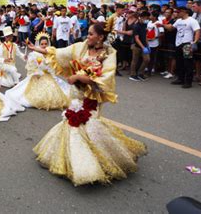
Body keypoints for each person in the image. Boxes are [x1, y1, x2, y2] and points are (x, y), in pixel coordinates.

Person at [29, 23, 147, 186]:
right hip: (76, 94)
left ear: (100, 37)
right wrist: (37, 49)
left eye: (91, 34)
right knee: (72, 124)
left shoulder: (109, 53)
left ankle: (93, 165)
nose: (87, 37)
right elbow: (59, 53)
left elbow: (105, 79)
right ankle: (73, 162)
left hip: (92, 96)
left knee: (90, 126)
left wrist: (79, 78)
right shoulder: (81, 46)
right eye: (88, 33)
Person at [7, 32, 70, 110]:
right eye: (42, 44)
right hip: (38, 77)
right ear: (38, 45)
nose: (44, 46)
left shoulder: (51, 54)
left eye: (45, 44)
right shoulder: (35, 55)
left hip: (49, 77)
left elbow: (54, 68)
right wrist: (36, 74)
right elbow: (32, 68)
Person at [162, 7, 201, 88]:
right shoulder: (178, 20)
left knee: (188, 63)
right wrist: (162, 24)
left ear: (184, 12)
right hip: (178, 44)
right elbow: (171, 28)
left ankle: (188, 82)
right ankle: (180, 79)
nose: (176, 13)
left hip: (187, 44)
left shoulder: (192, 20)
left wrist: (195, 41)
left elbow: (197, 31)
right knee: (179, 63)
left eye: (178, 12)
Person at [129, 11, 151, 82]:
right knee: (135, 60)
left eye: (148, 18)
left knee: (147, 59)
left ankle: (140, 73)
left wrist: (147, 46)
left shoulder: (145, 25)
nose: (147, 19)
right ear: (141, 17)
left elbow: (145, 36)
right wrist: (143, 47)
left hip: (144, 45)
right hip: (136, 46)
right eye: (146, 18)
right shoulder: (136, 26)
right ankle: (132, 74)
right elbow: (136, 38)